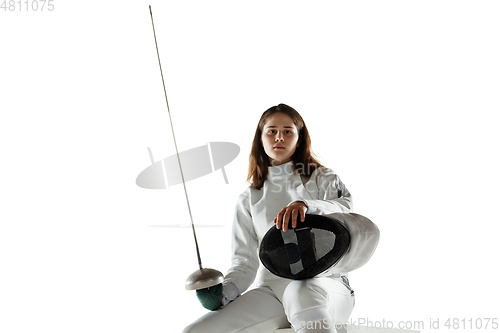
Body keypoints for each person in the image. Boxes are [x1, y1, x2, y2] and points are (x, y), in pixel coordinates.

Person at [182, 104, 355, 333]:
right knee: (197, 331)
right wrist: (222, 294)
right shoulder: (249, 197)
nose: (279, 137)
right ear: (261, 138)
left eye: (288, 131)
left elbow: (345, 207)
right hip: (273, 292)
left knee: (300, 291)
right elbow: (244, 262)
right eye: (271, 131)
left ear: (299, 137)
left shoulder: (323, 177)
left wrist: (307, 205)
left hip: (326, 286)